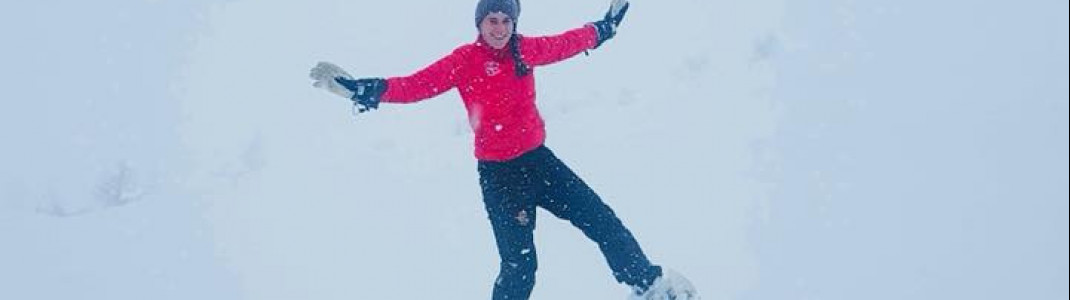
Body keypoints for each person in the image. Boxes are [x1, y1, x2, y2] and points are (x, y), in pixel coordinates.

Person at [310, 0, 698, 299]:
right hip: (500, 177)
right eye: (491, 20)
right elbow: (416, 84)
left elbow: (568, 43)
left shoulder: (524, 51)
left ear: (514, 24)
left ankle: (649, 286)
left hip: (540, 163)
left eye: (505, 20)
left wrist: (606, 26)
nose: (499, 28)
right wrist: (364, 89)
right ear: (480, 24)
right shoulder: (465, 60)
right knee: (520, 268)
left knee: (602, 221)